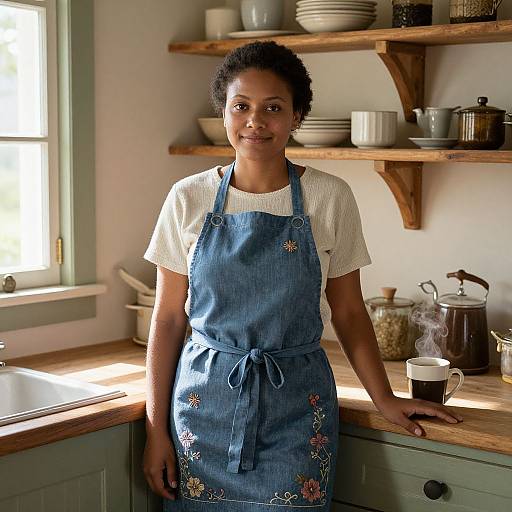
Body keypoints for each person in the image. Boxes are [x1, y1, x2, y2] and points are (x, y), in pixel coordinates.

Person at [142, 41, 463, 511]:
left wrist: (384, 398)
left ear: (296, 116)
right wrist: (155, 431)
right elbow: (168, 320)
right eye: (241, 106)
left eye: (273, 107)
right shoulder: (187, 198)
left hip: (297, 410)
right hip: (202, 412)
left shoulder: (328, 198)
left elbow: (350, 313)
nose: (256, 121)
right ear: (224, 113)